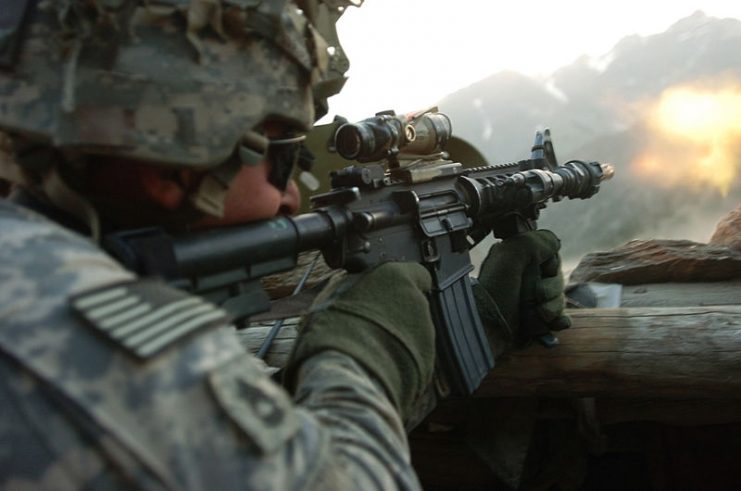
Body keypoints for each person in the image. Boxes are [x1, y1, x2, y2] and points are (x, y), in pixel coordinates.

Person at [0, 0, 568, 489]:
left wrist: (481, 326)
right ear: (173, 164)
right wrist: (361, 346)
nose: (294, 197)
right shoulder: (106, 349)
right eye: (284, 158)